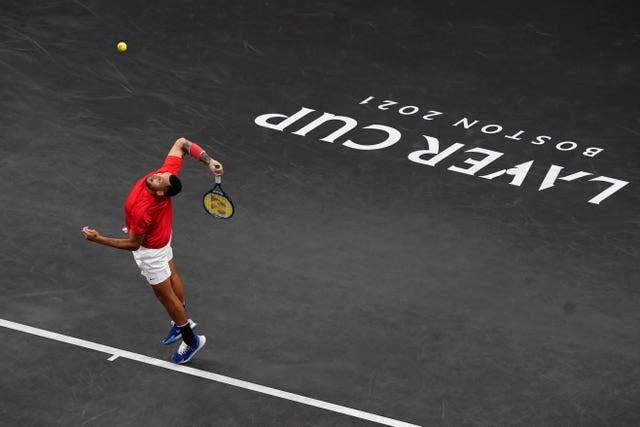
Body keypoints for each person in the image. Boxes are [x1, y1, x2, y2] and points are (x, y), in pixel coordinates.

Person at [82, 137, 223, 364]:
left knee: (164, 295)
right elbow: (182, 144)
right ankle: (181, 320)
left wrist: (99, 239)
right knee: (172, 272)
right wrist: (208, 160)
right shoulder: (164, 177)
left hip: (150, 251)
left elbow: (133, 244)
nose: (157, 175)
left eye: (160, 180)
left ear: (161, 193)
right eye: (161, 175)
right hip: (162, 235)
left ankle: (190, 338)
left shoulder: (143, 211)